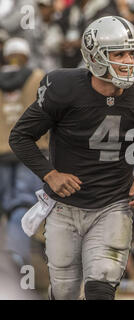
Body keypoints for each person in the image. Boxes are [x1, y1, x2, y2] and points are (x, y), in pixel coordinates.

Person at [9, 16, 134, 300]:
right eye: (119, 53)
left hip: (113, 203)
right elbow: (20, 136)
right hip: (64, 207)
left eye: (132, 53)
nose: (129, 60)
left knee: (100, 285)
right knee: (65, 292)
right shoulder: (63, 87)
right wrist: (50, 174)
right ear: (94, 56)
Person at [0, 37, 47, 266]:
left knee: (6, 206)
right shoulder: (37, 77)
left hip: (0, 153)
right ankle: (17, 259)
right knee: (23, 204)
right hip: (30, 151)